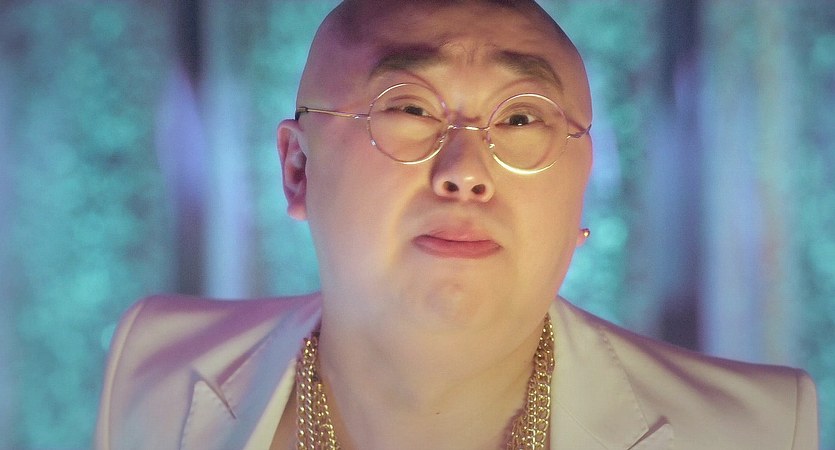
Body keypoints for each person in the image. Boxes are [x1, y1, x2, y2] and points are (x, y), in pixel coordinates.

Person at [95, 1, 819, 449]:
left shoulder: (752, 431)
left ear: (584, 189)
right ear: (297, 169)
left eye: (521, 118)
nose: (465, 171)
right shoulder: (153, 368)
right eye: (409, 108)